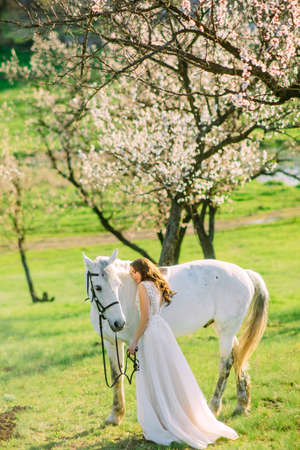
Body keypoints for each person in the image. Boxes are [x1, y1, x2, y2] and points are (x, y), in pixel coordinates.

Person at [129, 257, 238, 449]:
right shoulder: (157, 284)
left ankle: (161, 421)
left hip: (150, 332)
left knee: (153, 375)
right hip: (161, 328)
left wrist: (134, 340)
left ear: (141, 271)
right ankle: (170, 414)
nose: (132, 276)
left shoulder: (142, 287)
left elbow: (145, 317)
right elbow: (156, 311)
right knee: (167, 374)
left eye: (133, 272)